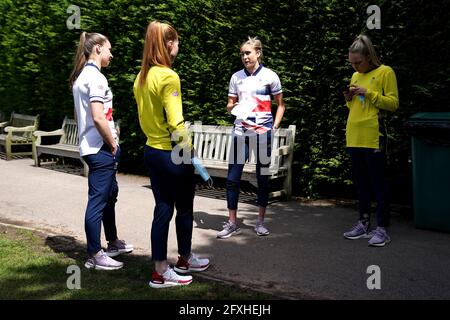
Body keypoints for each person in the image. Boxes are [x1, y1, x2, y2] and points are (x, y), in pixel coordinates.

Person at [133, 21, 210, 288]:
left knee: (163, 209)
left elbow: (145, 118)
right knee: (182, 208)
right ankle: (168, 267)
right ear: (169, 44)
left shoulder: (141, 77)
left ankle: (170, 265)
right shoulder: (168, 76)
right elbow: (177, 125)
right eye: (176, 41)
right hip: (172, 153)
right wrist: (191, 154)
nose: (178, 46)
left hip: (152, 151)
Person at [70, 32, 133, 270]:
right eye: (108, 49)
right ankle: (95, 254)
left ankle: (113, 242)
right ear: (97, 48)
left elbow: (80, 116)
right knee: (98, 201)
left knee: (109, 195)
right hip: (101, 148)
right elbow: (97, 117)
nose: (111, 54)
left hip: (92, 146)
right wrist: (113, 144)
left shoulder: (80, 78)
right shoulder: (96, 79)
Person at [217, 36, 285, 239]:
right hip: (241, 132)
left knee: (262, 178)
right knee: (232, 179)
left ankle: (261, 222)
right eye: (242, 54)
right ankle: (232, 223)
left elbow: (280, 104)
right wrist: (233, 108)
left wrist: (273, 126)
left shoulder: (271, 76)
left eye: (248, 53)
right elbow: (230, 105)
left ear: (258, 53)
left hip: (263, 133)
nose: (244, 57)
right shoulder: (236, 77)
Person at [342, 35, 399, 247]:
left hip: (374, 135)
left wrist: (370, 92)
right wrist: (349, 100)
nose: (355, 67)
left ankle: (382, 228)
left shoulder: (385, 72)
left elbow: (393, 104)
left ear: (369, 56)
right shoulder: (355, 75)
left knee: (378, 183)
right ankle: (363, 223)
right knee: (361, 184)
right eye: (352, 63)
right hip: (354, 134)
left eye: (358, 62)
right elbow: (356, 107)